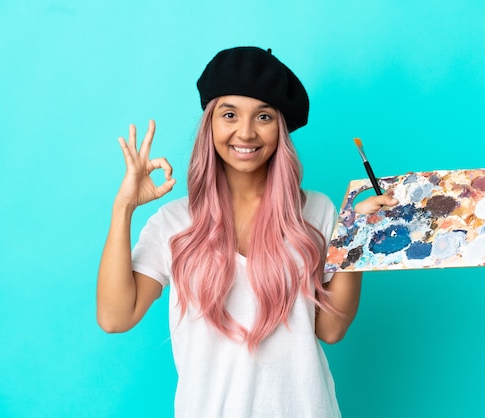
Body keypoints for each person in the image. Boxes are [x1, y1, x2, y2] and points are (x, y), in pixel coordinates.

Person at [96, 46, 396, 417]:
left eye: (264, 116)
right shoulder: (174, 223)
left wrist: (356, 234)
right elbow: (114, 317)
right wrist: (123, 207)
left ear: (281, 130)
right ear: (210, 123)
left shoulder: (317, 211)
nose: (246, 132)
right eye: (230, 114)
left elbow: (332, 330)